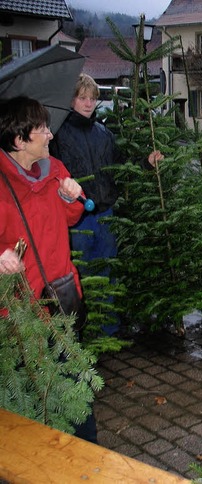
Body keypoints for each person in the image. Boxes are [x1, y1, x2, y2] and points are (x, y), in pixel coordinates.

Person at [0, 96, 96, 441]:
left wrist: (71, 198)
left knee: (76, 387)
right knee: (31, 393)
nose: (50, 135)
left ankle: (86, 459)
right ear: (19, 139)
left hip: (63, 296)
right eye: (41, 128)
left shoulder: (55, 169)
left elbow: (70, 217)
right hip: (21, 313)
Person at [49, 74, 163, 334]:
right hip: (77, 219)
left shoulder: (104, 133)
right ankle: (83, 330)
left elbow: (121, 167)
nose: (88, 103)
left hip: (106, 215)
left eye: (92, 98)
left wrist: (146, 164)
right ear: (71, 99)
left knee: (107, 270)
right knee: (82, 274)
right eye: (82, 98)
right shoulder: (57, 135)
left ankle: (108, 329)